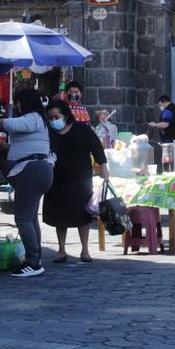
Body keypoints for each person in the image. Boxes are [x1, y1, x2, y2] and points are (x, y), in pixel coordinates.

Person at [0, 88, 54, 277]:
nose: (17, 106)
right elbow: (28, 143)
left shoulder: (34, 117)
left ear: (26, 102)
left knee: (22, 218)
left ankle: (33, 262)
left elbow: (16, 124)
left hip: (32, 172)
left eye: (18, 102)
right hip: (38, 171)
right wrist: (8, 147)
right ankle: (35, 258)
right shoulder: (39, 120)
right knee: (30, 217)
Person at [43, 100, 109, 263]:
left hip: (80, 180)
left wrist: (104, 168)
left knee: (83, 215)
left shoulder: (81, 129)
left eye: (56, 117)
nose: (53, 121)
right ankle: (61, 250)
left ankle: (85, 250)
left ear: (65, 115)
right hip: (57, 179)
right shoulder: (49, 133)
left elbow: (97, 148)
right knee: (60, 216)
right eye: (50, 118)